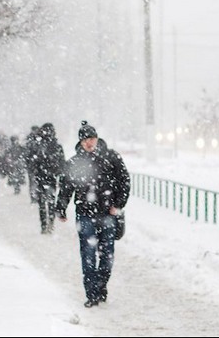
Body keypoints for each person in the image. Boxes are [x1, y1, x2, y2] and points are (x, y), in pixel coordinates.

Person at [55, 121, 130, 308]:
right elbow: (66, 187)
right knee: (88, 254)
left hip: (107, 214)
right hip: (85, 214)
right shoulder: (74, 163)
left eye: (92, 139)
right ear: (80, 142)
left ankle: (100, 285)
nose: (89, 143)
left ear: (97, 138)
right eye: (85, 140)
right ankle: (91, 293)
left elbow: (124, 181)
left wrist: (118, 204)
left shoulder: (111, 157)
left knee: (107, 256)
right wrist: (61, 207)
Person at [31, 123, 64, 234]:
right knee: (50, 201)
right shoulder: (56, 146)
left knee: (42, 202)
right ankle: (50, 222)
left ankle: (44, 224)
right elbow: (62, 162)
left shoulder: (39, 145)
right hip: (51, 177)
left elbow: (33, 161)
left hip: (42, 177)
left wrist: (35, 171)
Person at [24, 125, 41, 203]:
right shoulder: (31, 140)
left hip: (36, 165)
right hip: (33, 165)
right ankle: (34, 196)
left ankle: (35, 196)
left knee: (35, 181)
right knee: (33, 181)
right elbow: (26, 154)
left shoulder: (31, 140)